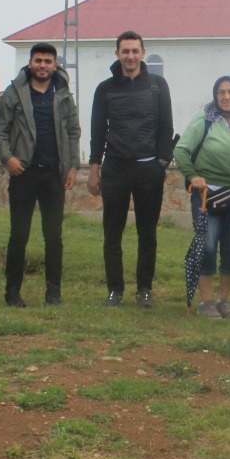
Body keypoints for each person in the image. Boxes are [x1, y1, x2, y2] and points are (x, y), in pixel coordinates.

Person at [88, 31, 175, 307]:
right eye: (125, 51)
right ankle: (115, 290)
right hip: (115, 169)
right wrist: (94, 167)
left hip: (149, 170)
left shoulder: (158, 86)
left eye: (135, 51)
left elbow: (166, 127)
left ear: (142, 52)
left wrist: (162, 162)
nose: (130, 56)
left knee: (147, 234)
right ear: (117, 54)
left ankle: (144, 290)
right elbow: (98, 131)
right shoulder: (105, 89)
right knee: (112, 233)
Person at [0, 42, 81, 307]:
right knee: (19, 235)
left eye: (48, 61)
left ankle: (53, 292)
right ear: (30, 63)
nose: (42, 65)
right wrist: (7, 158)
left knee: (53, 236)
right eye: (38, 60)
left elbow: (73, 131)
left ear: (55, 65)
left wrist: (73, 166)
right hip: (24, 173)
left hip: (54, 174)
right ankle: (12, 292)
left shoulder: (63, 93)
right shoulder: (14, 92)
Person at [175, 75, 230, 317]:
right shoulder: (204, 120)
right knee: (208, 245)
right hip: (208, 195)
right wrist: (193, 176)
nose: (227, 97)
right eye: (222, 92)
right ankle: (206, 302)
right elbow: (181, 151)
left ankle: (224, 300)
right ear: (215, 96)